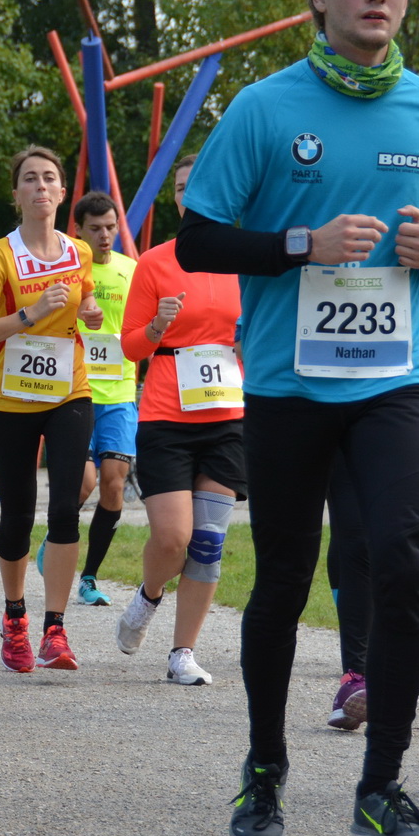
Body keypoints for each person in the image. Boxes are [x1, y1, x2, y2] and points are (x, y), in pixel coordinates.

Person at [176, 0, 419, 836]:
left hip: (393, 380)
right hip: (287, 383)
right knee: (280, 577)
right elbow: (196, 239)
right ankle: (264, 768)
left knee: (400, 567)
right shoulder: (266, 108)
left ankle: (383, 782)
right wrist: (297, 246)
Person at [0, 145, 103, 674]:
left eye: (50, 178)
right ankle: (15, 616)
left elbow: (85, 305)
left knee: (65, 506)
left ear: (62, 193)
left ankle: (56, 629)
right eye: (30, 179)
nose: (41, 186)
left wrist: (87, 313)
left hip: (70, 391)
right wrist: (28, 312)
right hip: (13, 397)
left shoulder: (79, 252)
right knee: (18, 512)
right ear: (17, 193)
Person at [113, 154, 245, 686]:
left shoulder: (243, 261)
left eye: (202, 184)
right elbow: (128, 347)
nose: (192, 193)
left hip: (227, 414)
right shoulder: (156, 262)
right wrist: (157, 327)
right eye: (184, 186)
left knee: (208, 541)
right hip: (167, 414)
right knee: (172, 539)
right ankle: (148, 597)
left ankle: (182, 653)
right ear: (176, 197)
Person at [324, 268, 419, 733]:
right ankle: (355, 675)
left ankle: (389, 678)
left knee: (398, 547)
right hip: (326, 403)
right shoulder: (326, 246)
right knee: (351, 540)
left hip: (397, 408)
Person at [71, 191, 139, 608]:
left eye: (111, 227)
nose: (104, 235)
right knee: (84, 482)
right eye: (95, 228)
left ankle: (90, 576)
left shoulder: (133, 270)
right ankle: (59, 532)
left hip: (119, 391)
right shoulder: (66, 270)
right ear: (78, 229)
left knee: (113, 484)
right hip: (75, 390)